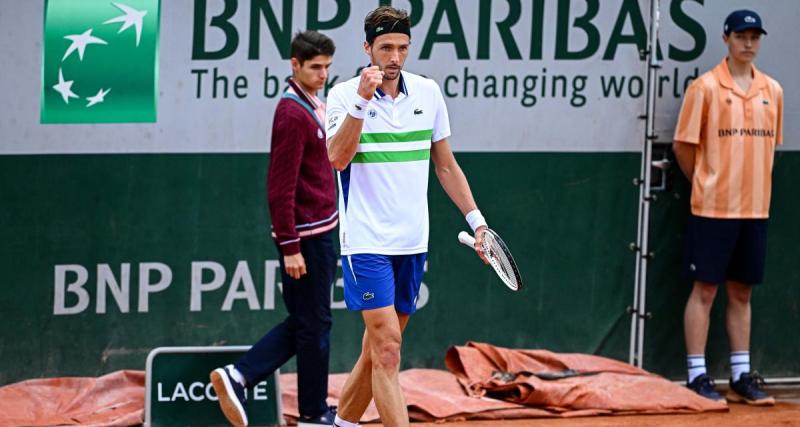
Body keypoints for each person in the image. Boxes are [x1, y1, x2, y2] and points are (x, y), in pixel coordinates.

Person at [324, 6, 490, 427]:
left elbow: (446, 166)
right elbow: (338, 158)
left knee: (374, 352)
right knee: (387, 351)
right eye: (385, 48)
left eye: (401, 47)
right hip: (365, 243)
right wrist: (362, 100)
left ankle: (342, 424)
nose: (394, 57)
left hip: (412, 244)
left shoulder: (429, 94)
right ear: (367, 49)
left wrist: (478, 223)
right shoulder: (344, 95)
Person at [209, 31, 339, 427]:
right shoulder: (292, 114)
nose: (322, 74)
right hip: (307, 239)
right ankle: (311, 412)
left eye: (327, 68)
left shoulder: (314, 103)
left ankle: (242, 377)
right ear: (294, 65)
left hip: (322, 232)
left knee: (308, 323)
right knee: (313, 325)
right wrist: (290, 246)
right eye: (315, 67)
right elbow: (279, 188)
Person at [673, 9, 782, 406]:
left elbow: (772, 150)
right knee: (704, 290)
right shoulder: (703, 89)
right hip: (712, 209)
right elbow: (684, 147)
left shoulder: (774, 90)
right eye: (741, 36)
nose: (748, 43)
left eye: (754, 36)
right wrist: (706, 182)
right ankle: (697, 375)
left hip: (755, 210)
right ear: (726, 39)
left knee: (742, 293)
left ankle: (740, 375)